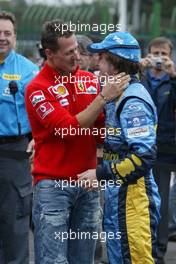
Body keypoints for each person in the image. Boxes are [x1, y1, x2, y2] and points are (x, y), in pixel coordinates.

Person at [25, 19, 130, 264]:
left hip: (89, 185)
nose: (77, 56)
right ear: (49, 53)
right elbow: (67, 129)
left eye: (77, 49)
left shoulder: (89, 80)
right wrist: (104, 97)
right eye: (69, 52)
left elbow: (101, 130)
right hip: (53, 188)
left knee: (84, 260)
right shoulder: (37, 88)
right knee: (53, 260)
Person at [78, 31, 161, 264]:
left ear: (114, 64)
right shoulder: (116, 96)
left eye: (102, 57)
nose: (97, 63)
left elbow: (143, 158)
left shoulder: (132, 101)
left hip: (134, 198)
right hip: (118, 196)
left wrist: (100, 174)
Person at [0, 11, 39, 264]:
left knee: (14, 223)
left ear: (15, 37)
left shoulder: (28, 71)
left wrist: (38, 138)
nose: (2, 38)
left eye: (7, 33)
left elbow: (42, 111)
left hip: (14, 154)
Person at [140, 37, 176, 264]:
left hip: (164, 150)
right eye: (155, 53)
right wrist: (138, 68)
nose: (160, 59)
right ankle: (140, 248)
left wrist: (174, 76)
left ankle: (158, 253)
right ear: (148, 54)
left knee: (160, 202)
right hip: (139, 148)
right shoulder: (141, 79)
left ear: (171, 56)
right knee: (141, 202)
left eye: (164, 54)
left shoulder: (172, 81)